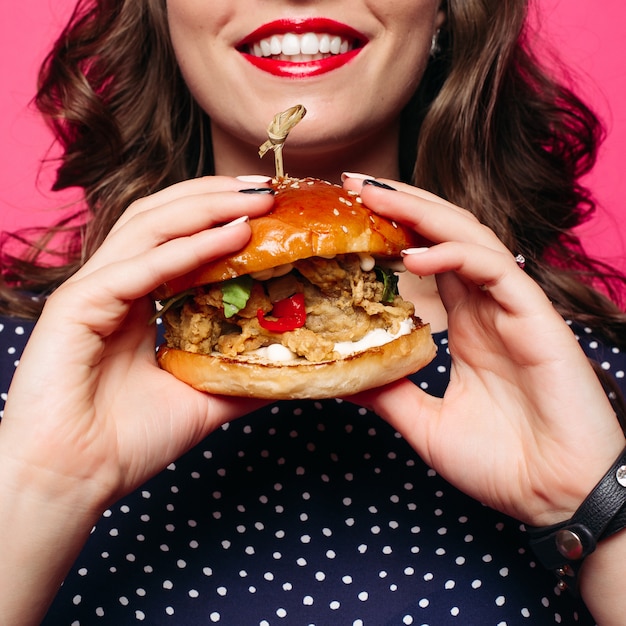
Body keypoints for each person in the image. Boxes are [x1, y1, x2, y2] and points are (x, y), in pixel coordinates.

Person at [1, 0, 625, 623]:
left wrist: (594, 505)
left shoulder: (596, 380)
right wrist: (40, 489)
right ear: (161, 15)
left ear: (443, 11)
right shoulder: (24, 368)